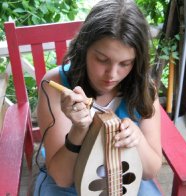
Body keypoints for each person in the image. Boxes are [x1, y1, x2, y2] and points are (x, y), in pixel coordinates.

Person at [33, 0, 162, 195]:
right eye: (102, 60)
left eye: (125, 63)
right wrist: (78, 131)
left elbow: (150, 170)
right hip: (71, 186)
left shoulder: (143, 88)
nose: (112, 74)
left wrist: (138, 140)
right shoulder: (56, 86)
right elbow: (61, 178)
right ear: (83, 48)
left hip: (125, 178)